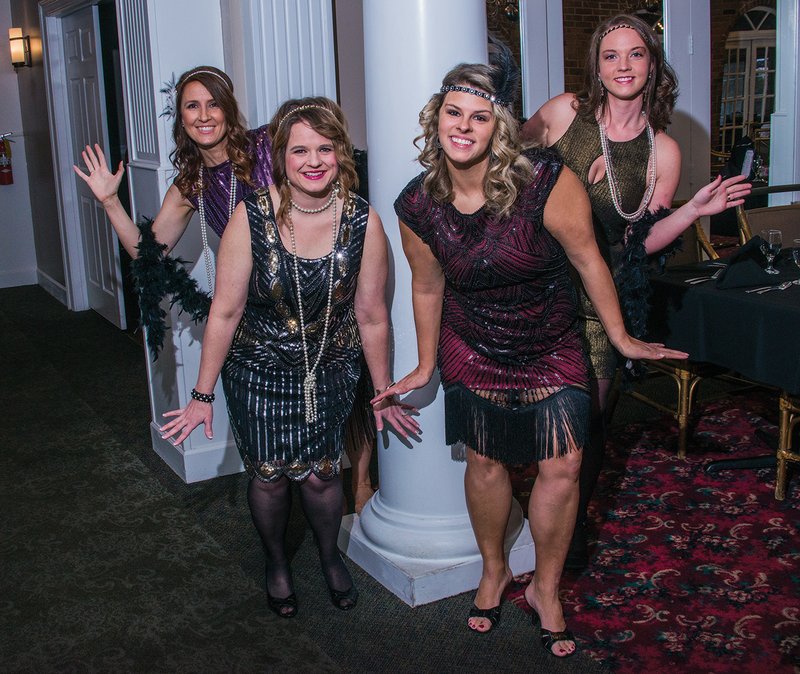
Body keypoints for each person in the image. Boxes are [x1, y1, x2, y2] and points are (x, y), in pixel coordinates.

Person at [372, 54, 688, 658]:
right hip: (473, 341)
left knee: (563, 466)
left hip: (549, 339)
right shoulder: (416, 204)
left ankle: (546, 587)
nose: (463, 126)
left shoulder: (544, 179)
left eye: (480, 117)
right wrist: (425, 362)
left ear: (500, 128)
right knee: (486, 464)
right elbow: (427, 284)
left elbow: (589, 259)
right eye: (453, 112)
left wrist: (619, 338)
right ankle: (493, 570)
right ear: (436, 118)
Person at [159, 97, 419, 619]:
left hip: (331, 369)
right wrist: (201, 395)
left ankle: (328, 557)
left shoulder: (363, 221)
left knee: (323, 474)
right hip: (255, 370)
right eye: (300, 149)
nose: (314, 160)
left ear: (341, 151)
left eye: (325, 147)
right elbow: (225, 313)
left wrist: (384, 389)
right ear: (281, 156)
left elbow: (371, 316)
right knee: (269, 476)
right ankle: (276, 562)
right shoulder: (249, 215)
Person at [74, 66, 376, 511]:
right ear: (180, 118)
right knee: (277, 440)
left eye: (213, 103)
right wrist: (109, 201)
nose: (204, 115)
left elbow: (323, 165)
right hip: (263, 310)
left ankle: (363, 482)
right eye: (192, 107)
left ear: (228, 107)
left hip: (319, 287)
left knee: (345, 397)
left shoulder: (267, 144)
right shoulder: (192, 182)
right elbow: (148, 253)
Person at [521, 14, 751, 568]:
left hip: (606, 295)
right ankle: (529, 499)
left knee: (594, 414)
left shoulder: (663, 152)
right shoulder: (562, 112)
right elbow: (510, 161)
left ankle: (567, 534)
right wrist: (562, 178)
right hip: (542, 283)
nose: (623, 66)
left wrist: (695, 209)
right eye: (611, 55)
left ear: (652, 66)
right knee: (538, 407)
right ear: (597, 67)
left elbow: (641, 241)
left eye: (636, 55)